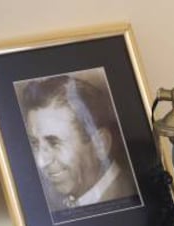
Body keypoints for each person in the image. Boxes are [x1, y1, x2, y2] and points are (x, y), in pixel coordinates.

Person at [17, 73, 138, 212]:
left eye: (54, 143)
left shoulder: (126, 200)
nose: (41, 162)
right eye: (35, 144)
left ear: (101, 144)